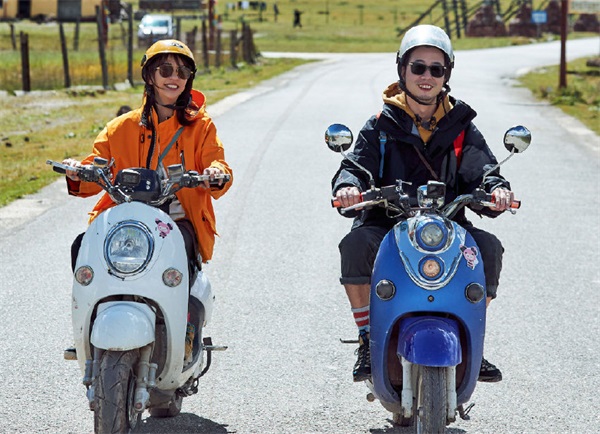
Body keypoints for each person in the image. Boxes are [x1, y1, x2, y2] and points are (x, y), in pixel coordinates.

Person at [331, 25, 512, 384]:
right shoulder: (381, 125)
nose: (426, 76)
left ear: (446, 74)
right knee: (356, 244)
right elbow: (356, 166)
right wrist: (349, 186)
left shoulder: (460, 126)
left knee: (488, 248)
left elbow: (483, 169)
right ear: (402, 69)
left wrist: (496, 189)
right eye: (418, 67)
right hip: (387, 221)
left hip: (447, 223)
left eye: (436, 69)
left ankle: (471, 338)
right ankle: (367, 337)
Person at [62, 39, 233, 361]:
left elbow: (217, 162)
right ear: (149, 75)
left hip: (177, 220)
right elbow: (95, 168)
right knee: (82, 245)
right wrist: (77, 170)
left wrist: (215, 172)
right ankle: (89, 321)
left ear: (189, 79)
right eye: (165, 69)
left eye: (182, 72)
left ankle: (186, 330)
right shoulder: (120, 128)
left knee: (183, 255)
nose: (174, 77)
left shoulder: (201, 127)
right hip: (124, 218)